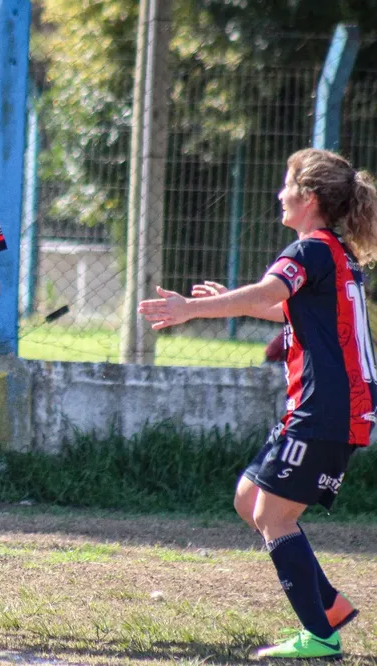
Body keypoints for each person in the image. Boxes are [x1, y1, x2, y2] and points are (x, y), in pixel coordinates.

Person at [139, 148, 377, 660]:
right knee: (250, 498)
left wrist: (190, 308)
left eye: (287, 184)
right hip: (335, 406)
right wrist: (228, 300)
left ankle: (320, 636)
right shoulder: (335, 252)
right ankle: (329, 606)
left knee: (273, 514)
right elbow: (293, 309)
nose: (279, 194)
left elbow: (266, 295)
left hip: (326, 407)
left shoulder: (310, 249)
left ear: (308, 197)